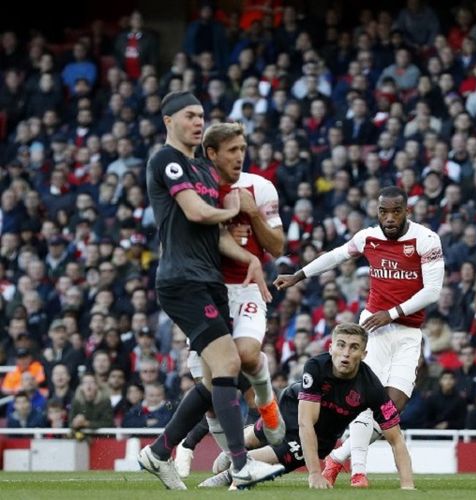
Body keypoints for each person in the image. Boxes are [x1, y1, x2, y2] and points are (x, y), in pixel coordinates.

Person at [138, 90, 276, 490]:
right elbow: (196, 212)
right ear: (169, 121)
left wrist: (249, 258)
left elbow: (215, 235)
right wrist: (236, 209)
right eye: (189, 116)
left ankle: (160, 451)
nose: (198, 122)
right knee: (230, 363)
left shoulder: (201, 168)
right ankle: (240, 465)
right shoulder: (166, 160)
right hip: (181, 280)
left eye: (201, 116)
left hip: (208, 280)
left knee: (215, 375)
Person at [274, 186, 444, 487]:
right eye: (383, 211)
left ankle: (339, 458)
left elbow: (432, 291)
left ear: (408, 211)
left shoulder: (426, 239)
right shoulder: (368, 237)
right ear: (376, 211)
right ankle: (358, 473)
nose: (389, 218)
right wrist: (298, 276)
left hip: (407, 331)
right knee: (366, 400)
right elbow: (335, 256)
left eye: (396, 211)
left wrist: (391, 313)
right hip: (373, 329)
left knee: (394, 405)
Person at [174, 122, 286, 477]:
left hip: (248, 287)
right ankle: (236, 468)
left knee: (248, 355)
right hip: (206, 291)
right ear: (211, 153)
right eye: (232, 150)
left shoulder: (261, 187)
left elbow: (278, 246)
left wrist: (251, 214)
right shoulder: (194, 191)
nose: (240, 156)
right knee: (211, 389)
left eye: (242, 148)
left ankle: (266, 401)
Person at [197, 323, 414, 490]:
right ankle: (236, 449)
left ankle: (230, 473)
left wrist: (407, 487)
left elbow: (396, 439)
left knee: (282, 454)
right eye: (341, 345)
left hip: (322, 438)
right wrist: (314, 473)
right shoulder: (316, 366)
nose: (346, 353)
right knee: (261, 433)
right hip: (296, 407)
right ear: (331, 348)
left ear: (364, 355)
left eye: (354, 347)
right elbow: (305, 422)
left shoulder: (372, 387)